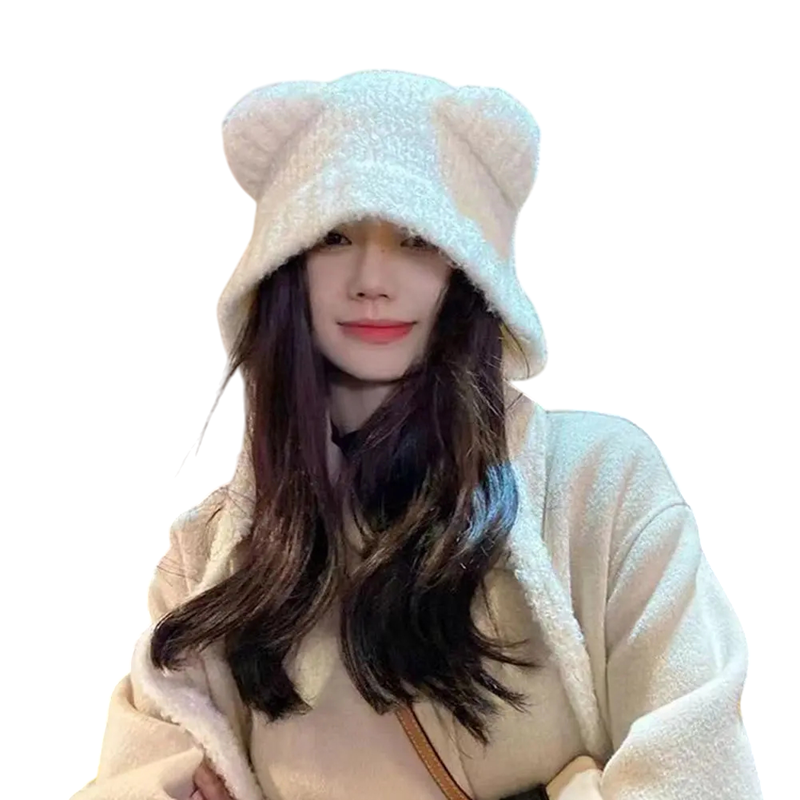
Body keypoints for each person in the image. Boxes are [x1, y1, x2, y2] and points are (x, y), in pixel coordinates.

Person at [69, 69, 763, 800]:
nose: (373, 278)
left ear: (470, 272)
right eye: (333, 235)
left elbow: (701, 770)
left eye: (416, 239)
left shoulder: (601, 485)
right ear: (284, 267)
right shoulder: (211, 556)